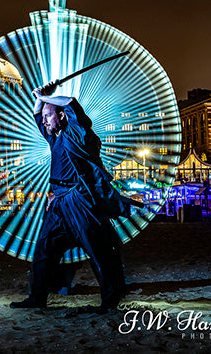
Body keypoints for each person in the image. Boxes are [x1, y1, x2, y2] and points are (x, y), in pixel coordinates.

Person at [10, 83, 137, 313]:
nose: (45, 122)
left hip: (79, 200)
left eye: (50, 117)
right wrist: (40, 98)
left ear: (61, 116)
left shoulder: (78, 133)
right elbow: (38, 113)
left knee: (98, 250)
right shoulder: (54, 138)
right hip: (58, 202)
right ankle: (37, 298)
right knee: (43, 250)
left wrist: (44, 96)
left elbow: (70, 102)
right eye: (46, 118)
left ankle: (110, 301)